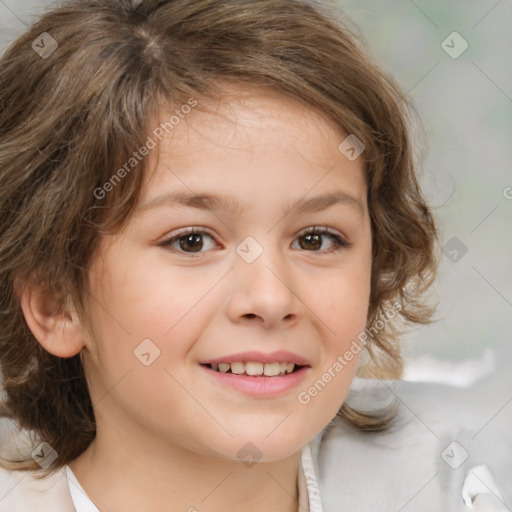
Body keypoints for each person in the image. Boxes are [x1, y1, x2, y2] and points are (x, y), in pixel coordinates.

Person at [0, 1, 508, 511]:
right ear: (56, 302)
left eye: (316, 239)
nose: (270, 298)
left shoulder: (462, 472)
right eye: (192, 241)